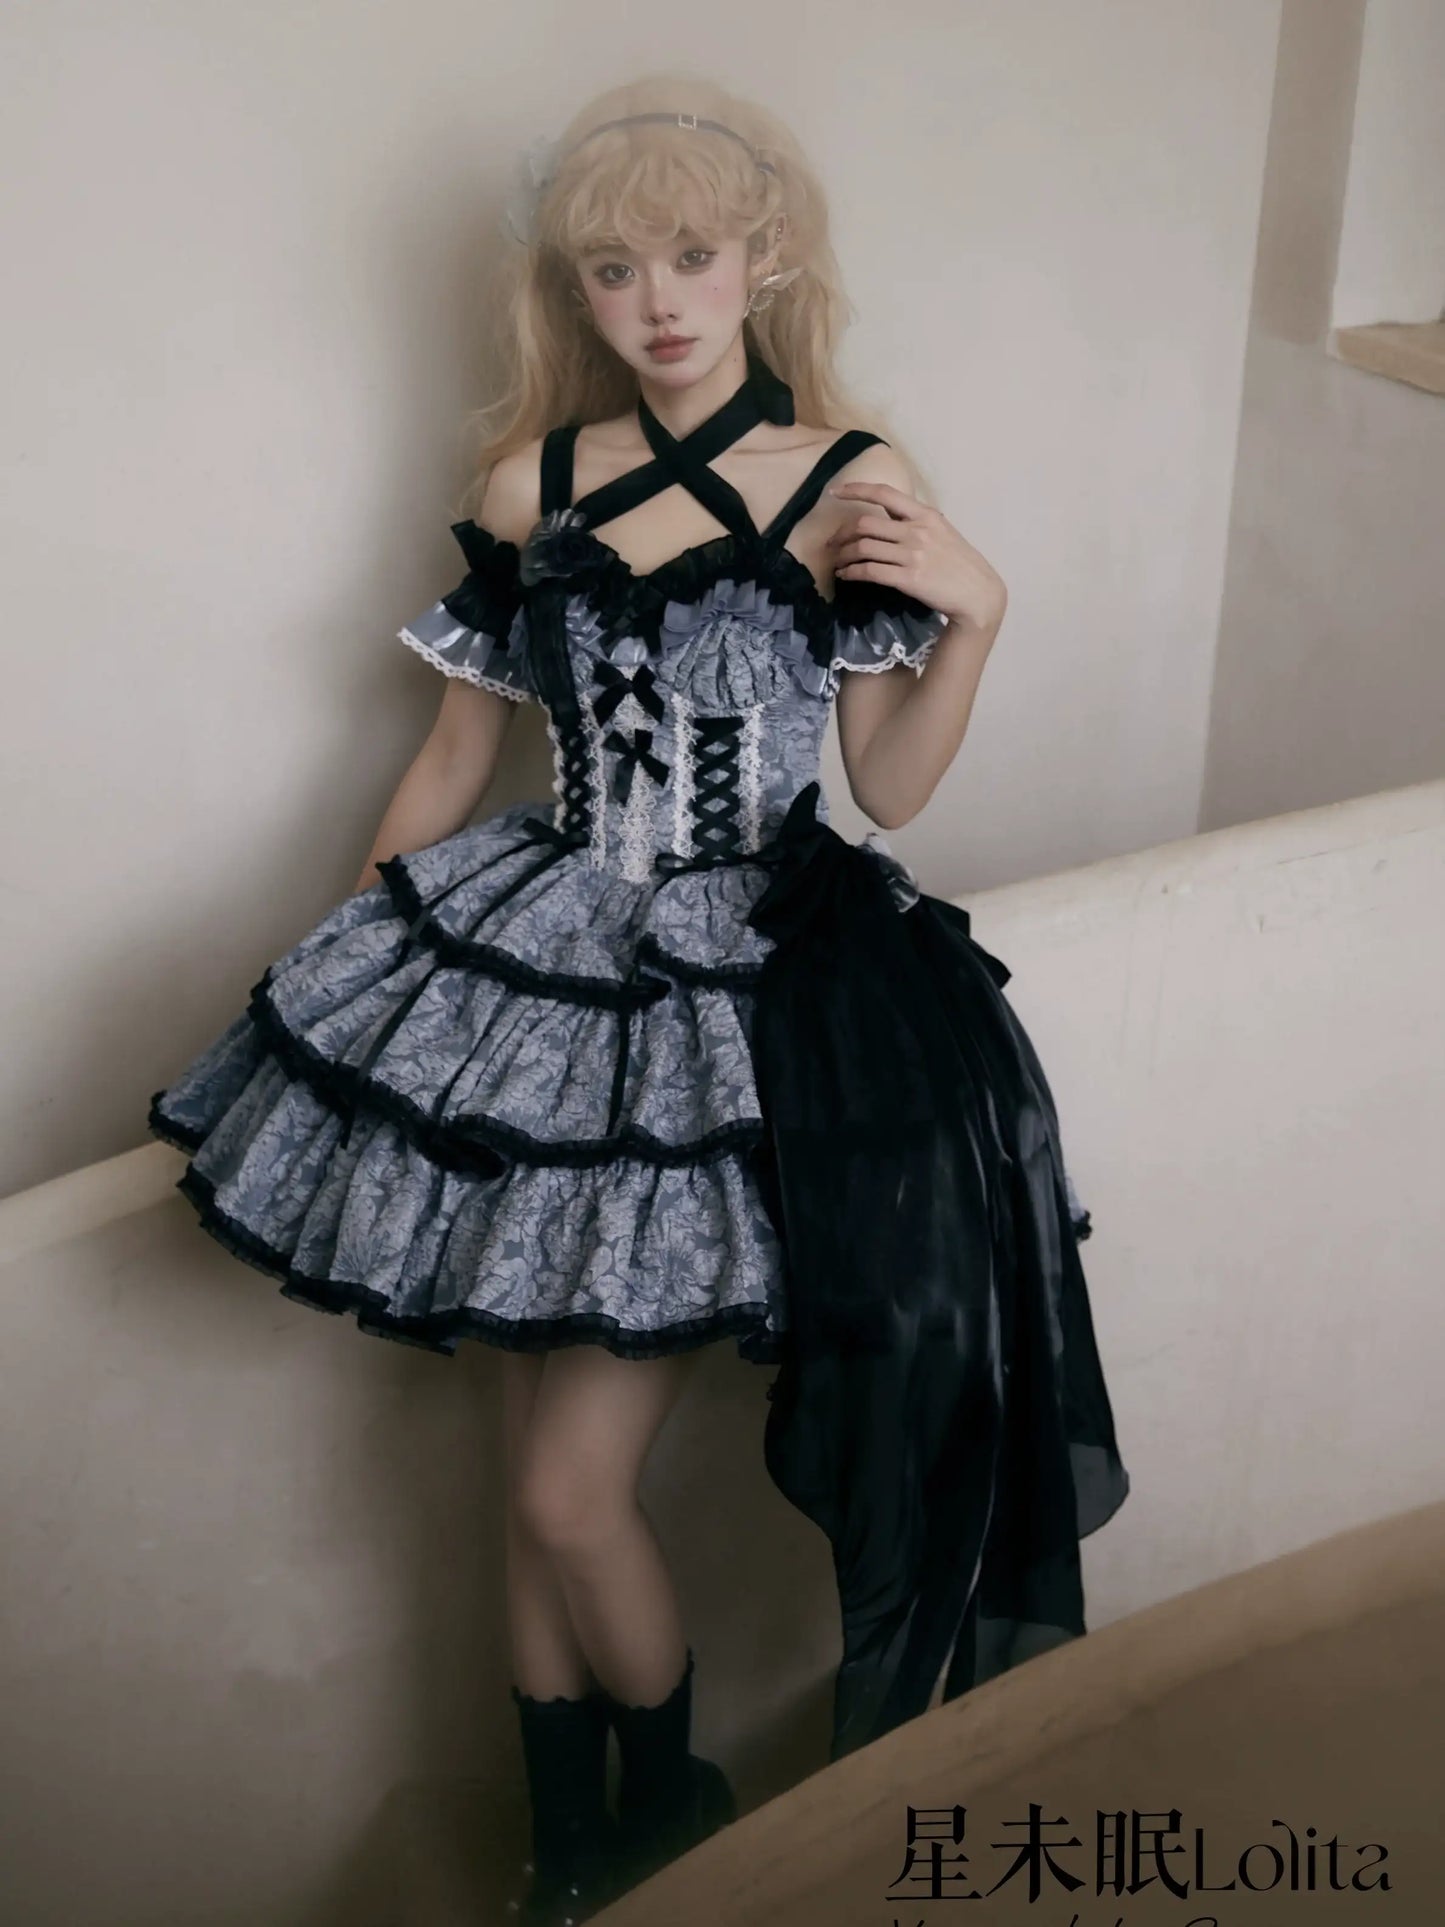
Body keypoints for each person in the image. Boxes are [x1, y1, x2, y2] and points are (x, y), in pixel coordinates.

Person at [148, 73, 1128, 1927]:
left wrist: (978, 614)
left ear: (763, 261)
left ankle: (671, 1812)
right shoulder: (531, 485)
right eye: (614, 269)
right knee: (522, 1478)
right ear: (574, 293)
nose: (661, 299)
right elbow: (456, 755)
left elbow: (893, 788)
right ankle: (567, 1849)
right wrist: (354, 970)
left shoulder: (852, 481)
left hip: (746, 1003)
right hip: (545, 965)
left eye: (692, 255)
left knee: (564, 1497)